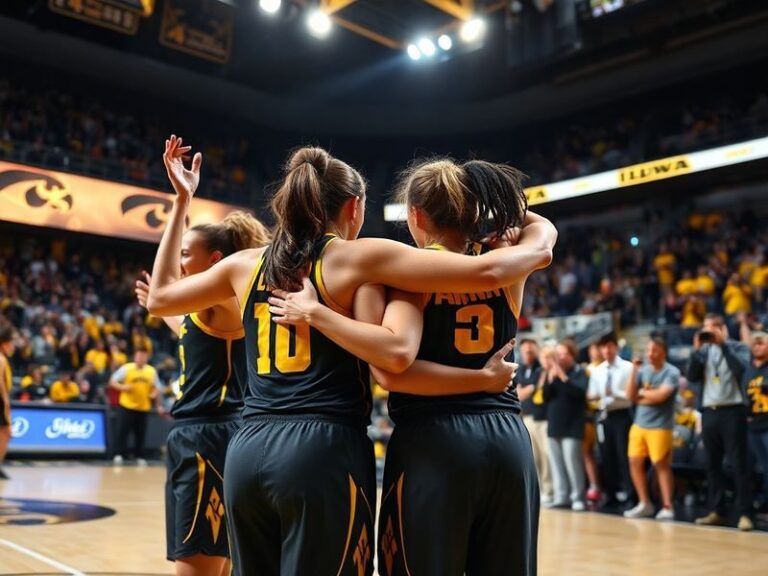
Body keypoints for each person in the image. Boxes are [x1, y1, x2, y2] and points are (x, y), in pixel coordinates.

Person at [146, 145, 556, 576]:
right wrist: (513, 227)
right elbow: (398, 354)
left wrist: (182, 203)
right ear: (355, 206)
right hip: (325, 450)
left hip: (247, 449)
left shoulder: (243, 264)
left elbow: (159, 298)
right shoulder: (364, 259)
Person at [270, 157, 551, 575]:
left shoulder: (411, 278)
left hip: (433, 443)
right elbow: (543, 233)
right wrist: (499, 214)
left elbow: (394, 370)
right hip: (507, 437)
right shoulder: (508, 267)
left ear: (415, 216)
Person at [135, 135, 270, 576]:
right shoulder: (203, 314)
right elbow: (177, 319)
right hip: (207, 437)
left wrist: (181, 202)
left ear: (216, 260)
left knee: (199, 568)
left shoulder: (226, 299)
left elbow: (162, 293)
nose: (178, 263)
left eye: (186, 255)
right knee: (220, 564)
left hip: (210, 438)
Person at [688, 314, 753, 530]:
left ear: (723, 328)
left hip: (733, 410)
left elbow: (742, 370)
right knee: (712, 464)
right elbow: (692, 377)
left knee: (738, 464)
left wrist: (724, 346)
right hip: (709, 411)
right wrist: (696, 351)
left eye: (714, 327)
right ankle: (717, 511)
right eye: (706, 328)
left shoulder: (739, 347)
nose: (710, 332)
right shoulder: (703, 351)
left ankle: (746, 513)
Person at [624, 338, 679, 520]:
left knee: (661, 465)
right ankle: (644, 503)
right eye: (648, 350)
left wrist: (642, 394)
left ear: (663, 352)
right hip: (639, 425)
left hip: (660, 427)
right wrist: (634, 369)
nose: (650, 354)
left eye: (654, 350)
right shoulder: (643, 370)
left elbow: (661, 396)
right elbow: (630, 395)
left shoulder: (672, 372)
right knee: (634, 462)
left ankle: (667, 506)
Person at [588, 332, 635, 507]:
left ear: (616, 347)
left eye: (610, 346)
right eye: (604, 346)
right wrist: (600, 396)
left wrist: (613, 393)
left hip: (622, 414)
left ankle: (631, 495)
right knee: (607, 457)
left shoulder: (628, 368)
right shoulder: (598, 370)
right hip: (604, 415)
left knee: (624, 457)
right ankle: (611, 494)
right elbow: (591, 395)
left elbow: (631, 396)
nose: (607, 350)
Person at [542, 340, 588, 511]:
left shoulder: (579, 372)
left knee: (572, 462)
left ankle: (578, 497)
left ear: (572, 355)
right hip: (554, 423)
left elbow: (578, 393)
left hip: (573, 425)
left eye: (562, 354)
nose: (559, 357)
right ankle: (561, 496)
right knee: (557, 463)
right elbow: (546, 396)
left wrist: (561, 375)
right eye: (558, 354)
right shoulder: (552, 373)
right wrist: (550, 377)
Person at [108, 346, 161, 467]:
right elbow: (112, 381)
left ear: (146, 358)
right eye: (138, 356)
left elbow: (158, 387)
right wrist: (123, 387)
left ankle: (140, 456)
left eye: (142, 356)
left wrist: (154, 394)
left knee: (140, 433)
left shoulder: (151, 371)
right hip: (126, 405)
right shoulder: (127, 368)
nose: (140, 358)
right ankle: (118, 454)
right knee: (122, 431)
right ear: (135, 357)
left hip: (143, 407)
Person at [517, 338, 553, 504]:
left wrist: (526, 390)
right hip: (525, 417)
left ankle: (549, 490)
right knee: (534, 457)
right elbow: (519, 395)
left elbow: (526, 392)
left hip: (542, 418)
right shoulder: (520, 369)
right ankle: (539, 491)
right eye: (525, 351)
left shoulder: (541, 369)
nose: (527, 354)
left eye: (530, 351)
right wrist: (530, 388)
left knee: (546, 456)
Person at [742, 331, 768, 513]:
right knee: (758, 467)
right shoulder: (748, 370)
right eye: (755, 343)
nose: (757, 346)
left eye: (762, 343)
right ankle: (761, 505)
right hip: (753, 426)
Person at [583, 342, 603, 503]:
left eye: (596, 348)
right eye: (592, 349)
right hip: (587, 414)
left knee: (600, 452)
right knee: (588, 452)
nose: (594, 352)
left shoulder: (604, 368)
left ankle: (602, 486)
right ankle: (593, 486)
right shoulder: (587, 369)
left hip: (602, 413)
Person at [0, 327, 15, 480]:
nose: (13, 347)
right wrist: (5, 403)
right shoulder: (1, 359)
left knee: (5, 433)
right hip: (0, 400)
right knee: (6, 433)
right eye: (11, 343)